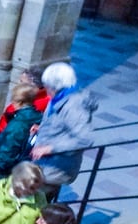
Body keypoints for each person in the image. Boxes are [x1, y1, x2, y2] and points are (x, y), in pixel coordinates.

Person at [30, 62, 98, 201]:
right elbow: (60, 123)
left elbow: (85, 139)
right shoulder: (60, 95)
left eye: (47, 86)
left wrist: (49, 148)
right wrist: (42, 128)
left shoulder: (74, 105)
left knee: (36, 202)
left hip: (55, 167)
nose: (46, 90)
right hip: (45, 163)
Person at [0, 83, 43, 188]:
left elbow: (5, 155)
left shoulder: (17, 126)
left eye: (13, 100)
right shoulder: (38, 117)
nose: (11, 103)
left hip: (2, 174)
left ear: (20, 102)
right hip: (21, 168)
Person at [0, 68, 49, 161]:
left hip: (7, 150)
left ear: (32, 85)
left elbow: (7, 135)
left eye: (21, 81)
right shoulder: (48, 100)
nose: (18, 84)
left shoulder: (22, 108)